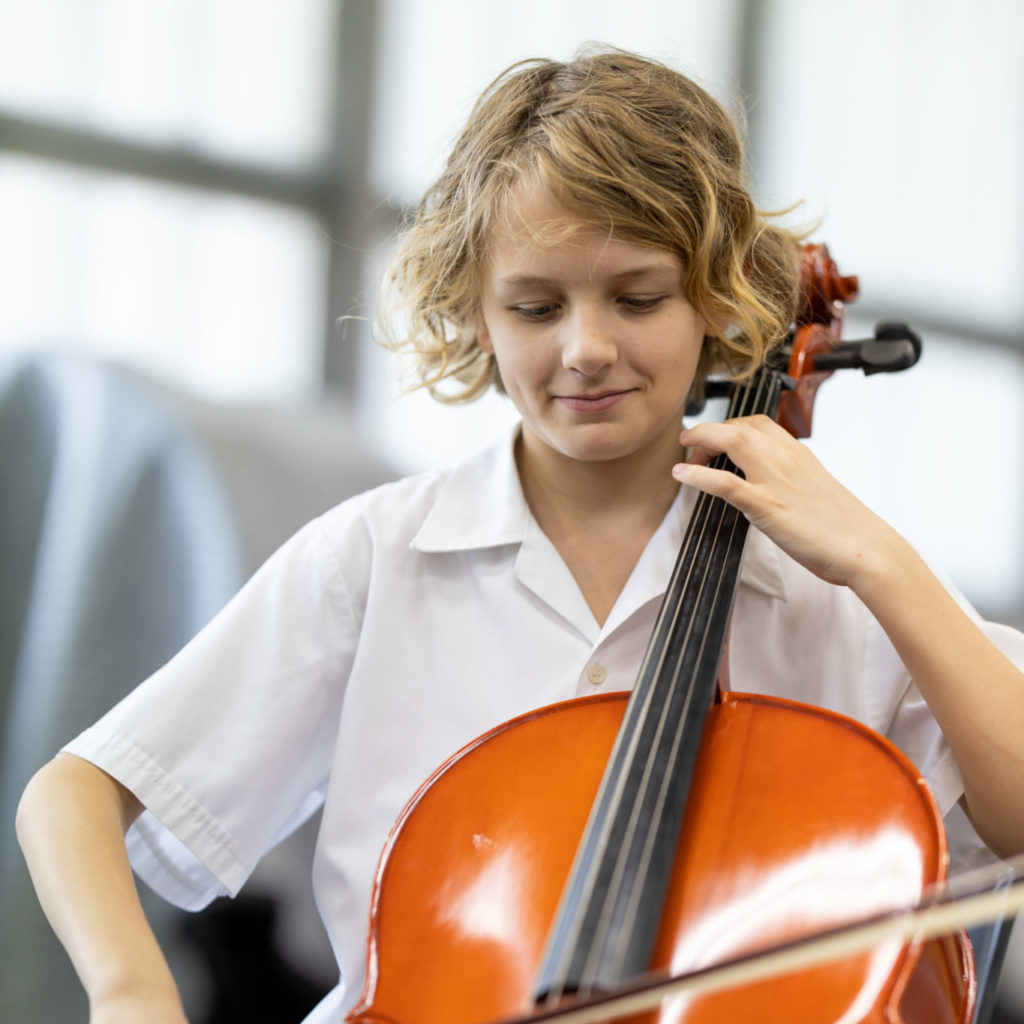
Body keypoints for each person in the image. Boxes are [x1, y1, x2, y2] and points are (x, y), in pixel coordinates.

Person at [16, 46, 1024, 1024]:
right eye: (535, 306)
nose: (585, 348)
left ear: (716, 297)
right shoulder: (378, 559)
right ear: (474, 315)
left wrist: (878, 560)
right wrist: (130, 991)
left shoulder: (824, 583)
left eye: (636, 297)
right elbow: (75, 794)